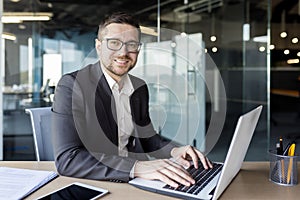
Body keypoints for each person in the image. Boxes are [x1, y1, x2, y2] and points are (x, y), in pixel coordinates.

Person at [52, 12, 212, 188]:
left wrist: (175, 150)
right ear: (98, 46)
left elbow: (147, 137)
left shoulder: (139, 87)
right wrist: (137, 168)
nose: (123, 52)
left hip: (137, 180)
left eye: (132, 44)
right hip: (98, 182)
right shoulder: (73, 85)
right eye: (114, 43)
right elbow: (68, 159)